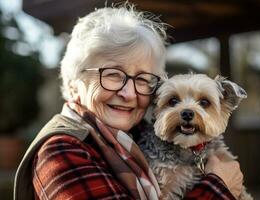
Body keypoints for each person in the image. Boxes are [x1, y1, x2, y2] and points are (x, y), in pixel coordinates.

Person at [14, 3, 243, 200]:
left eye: (143, 79)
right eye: (112, 74)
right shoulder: (61, 153)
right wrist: (218, 187)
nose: (129, 93)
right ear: (75, 84)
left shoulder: (136, 137)